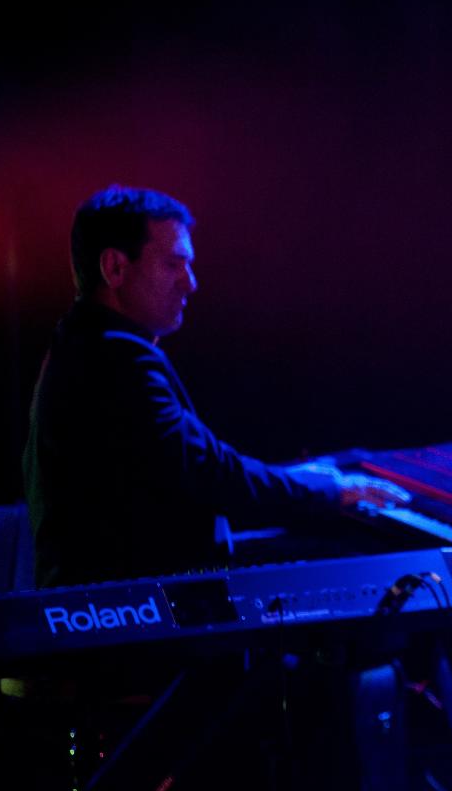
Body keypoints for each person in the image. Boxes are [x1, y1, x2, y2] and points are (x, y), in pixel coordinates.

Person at [24, 184, 407, 588]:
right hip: (140, 615)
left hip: (127, 593)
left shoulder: (80, 345)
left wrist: (302, 480)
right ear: (115, 268)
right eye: (174, 264)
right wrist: (326, 491)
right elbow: (211, 473)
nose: (191, 283)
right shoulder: (116, 360)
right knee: (355, 554)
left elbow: (190, 468)